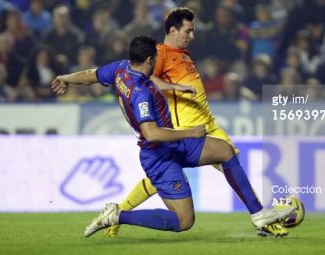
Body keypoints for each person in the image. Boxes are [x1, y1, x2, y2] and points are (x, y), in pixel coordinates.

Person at [51, 36, 295, 237]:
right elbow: (150, 132)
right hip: (158, 154)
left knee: (224, 150)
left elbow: (90, 74)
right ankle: (117, 215)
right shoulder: (140, 93)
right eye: (155, 57)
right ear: (149, 59)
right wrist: (191, 131)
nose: (158, 59)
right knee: (183, 220)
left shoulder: (121, 69)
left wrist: (66, 79)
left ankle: (259, 215)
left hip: (174, 144)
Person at [105, 7, 290, 237]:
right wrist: (173, 87)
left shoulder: (182, 52)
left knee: (226, 159)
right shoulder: (160, 53)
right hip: (187, 127)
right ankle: (261, 218)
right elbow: (147, 78)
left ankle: (261, 218)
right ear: (173, 30)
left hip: (207, 122)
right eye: (188, 31)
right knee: (222, 159)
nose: (192, 36)